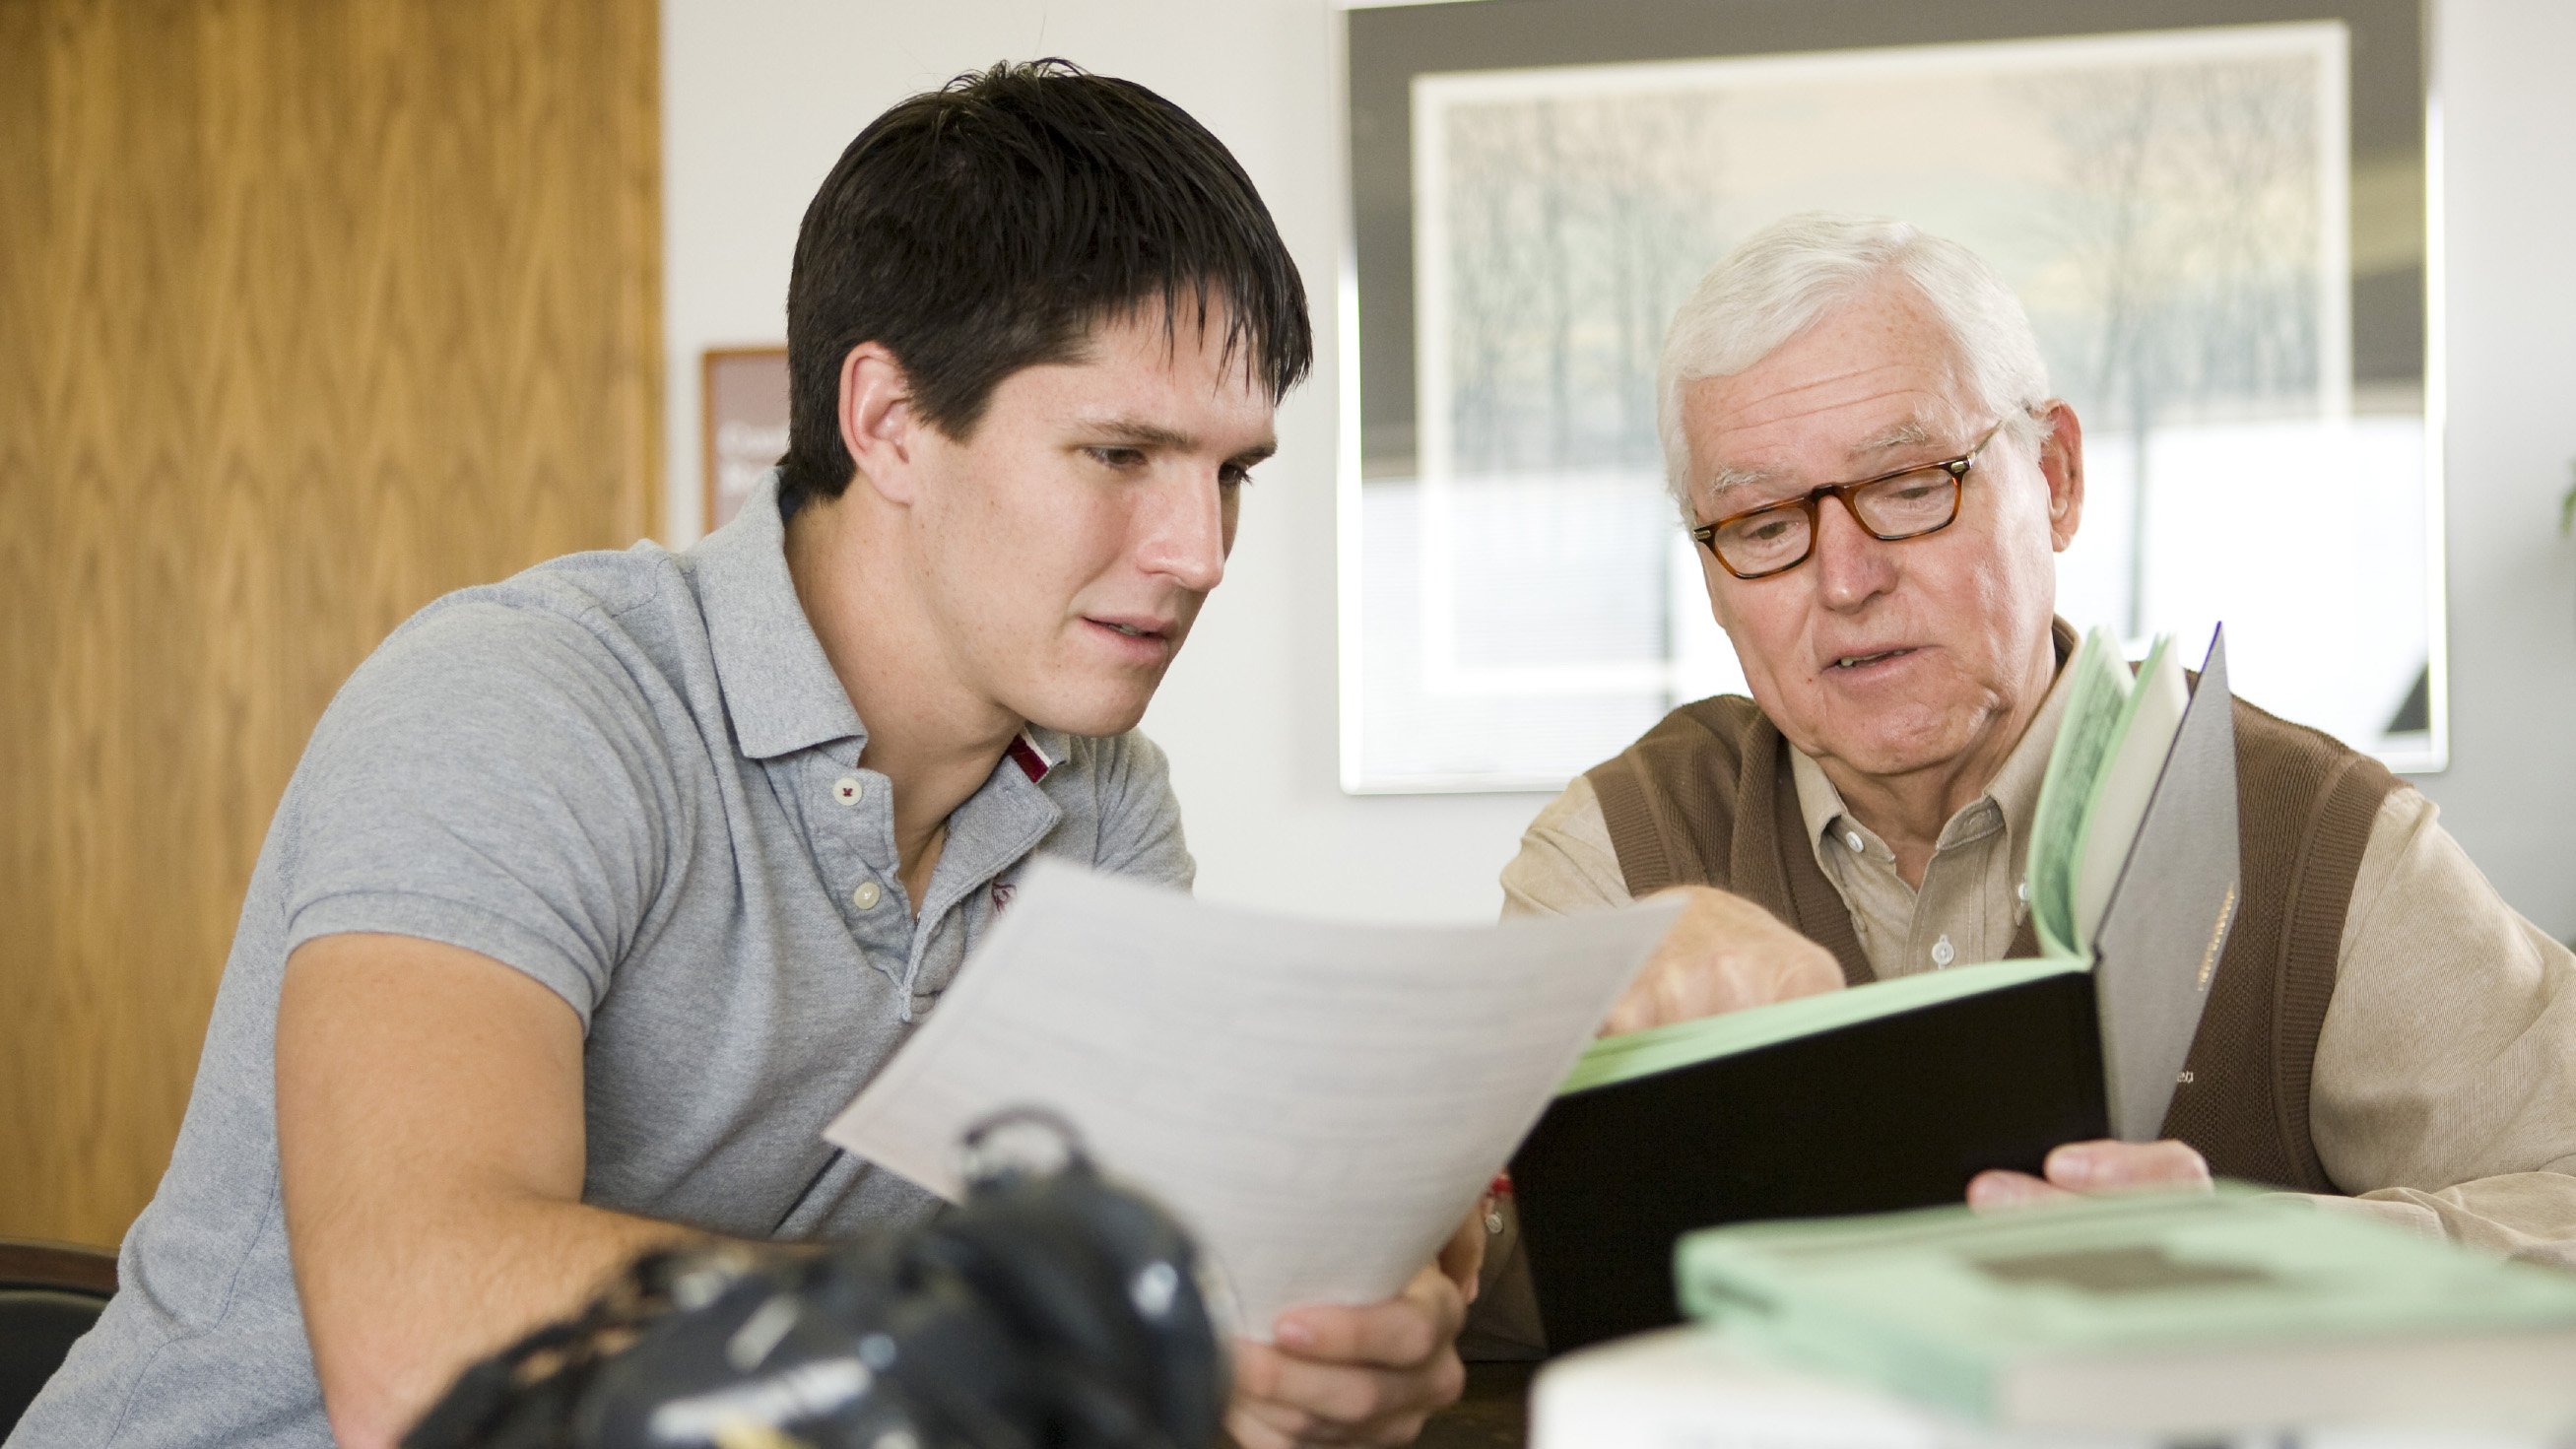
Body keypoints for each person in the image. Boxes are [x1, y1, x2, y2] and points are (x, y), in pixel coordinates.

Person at [14, 62, 1473, 1449]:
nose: (1200, 551)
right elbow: (421, 1349)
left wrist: (1312, 1329)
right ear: (889, 423)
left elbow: (1163, 1271)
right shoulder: (526, 701)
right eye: (1120, 455)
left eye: (1232, 475)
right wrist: (1063, 1326)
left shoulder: (1098, 810)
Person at [1503, 212, 2576, 1263]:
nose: (1844, 579)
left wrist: (2268, 1253)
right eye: (1764, 525)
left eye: (1908, 485)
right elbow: (1458, 1269)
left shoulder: (2324, 848)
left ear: (2054, 479)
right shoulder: (1614, 860)